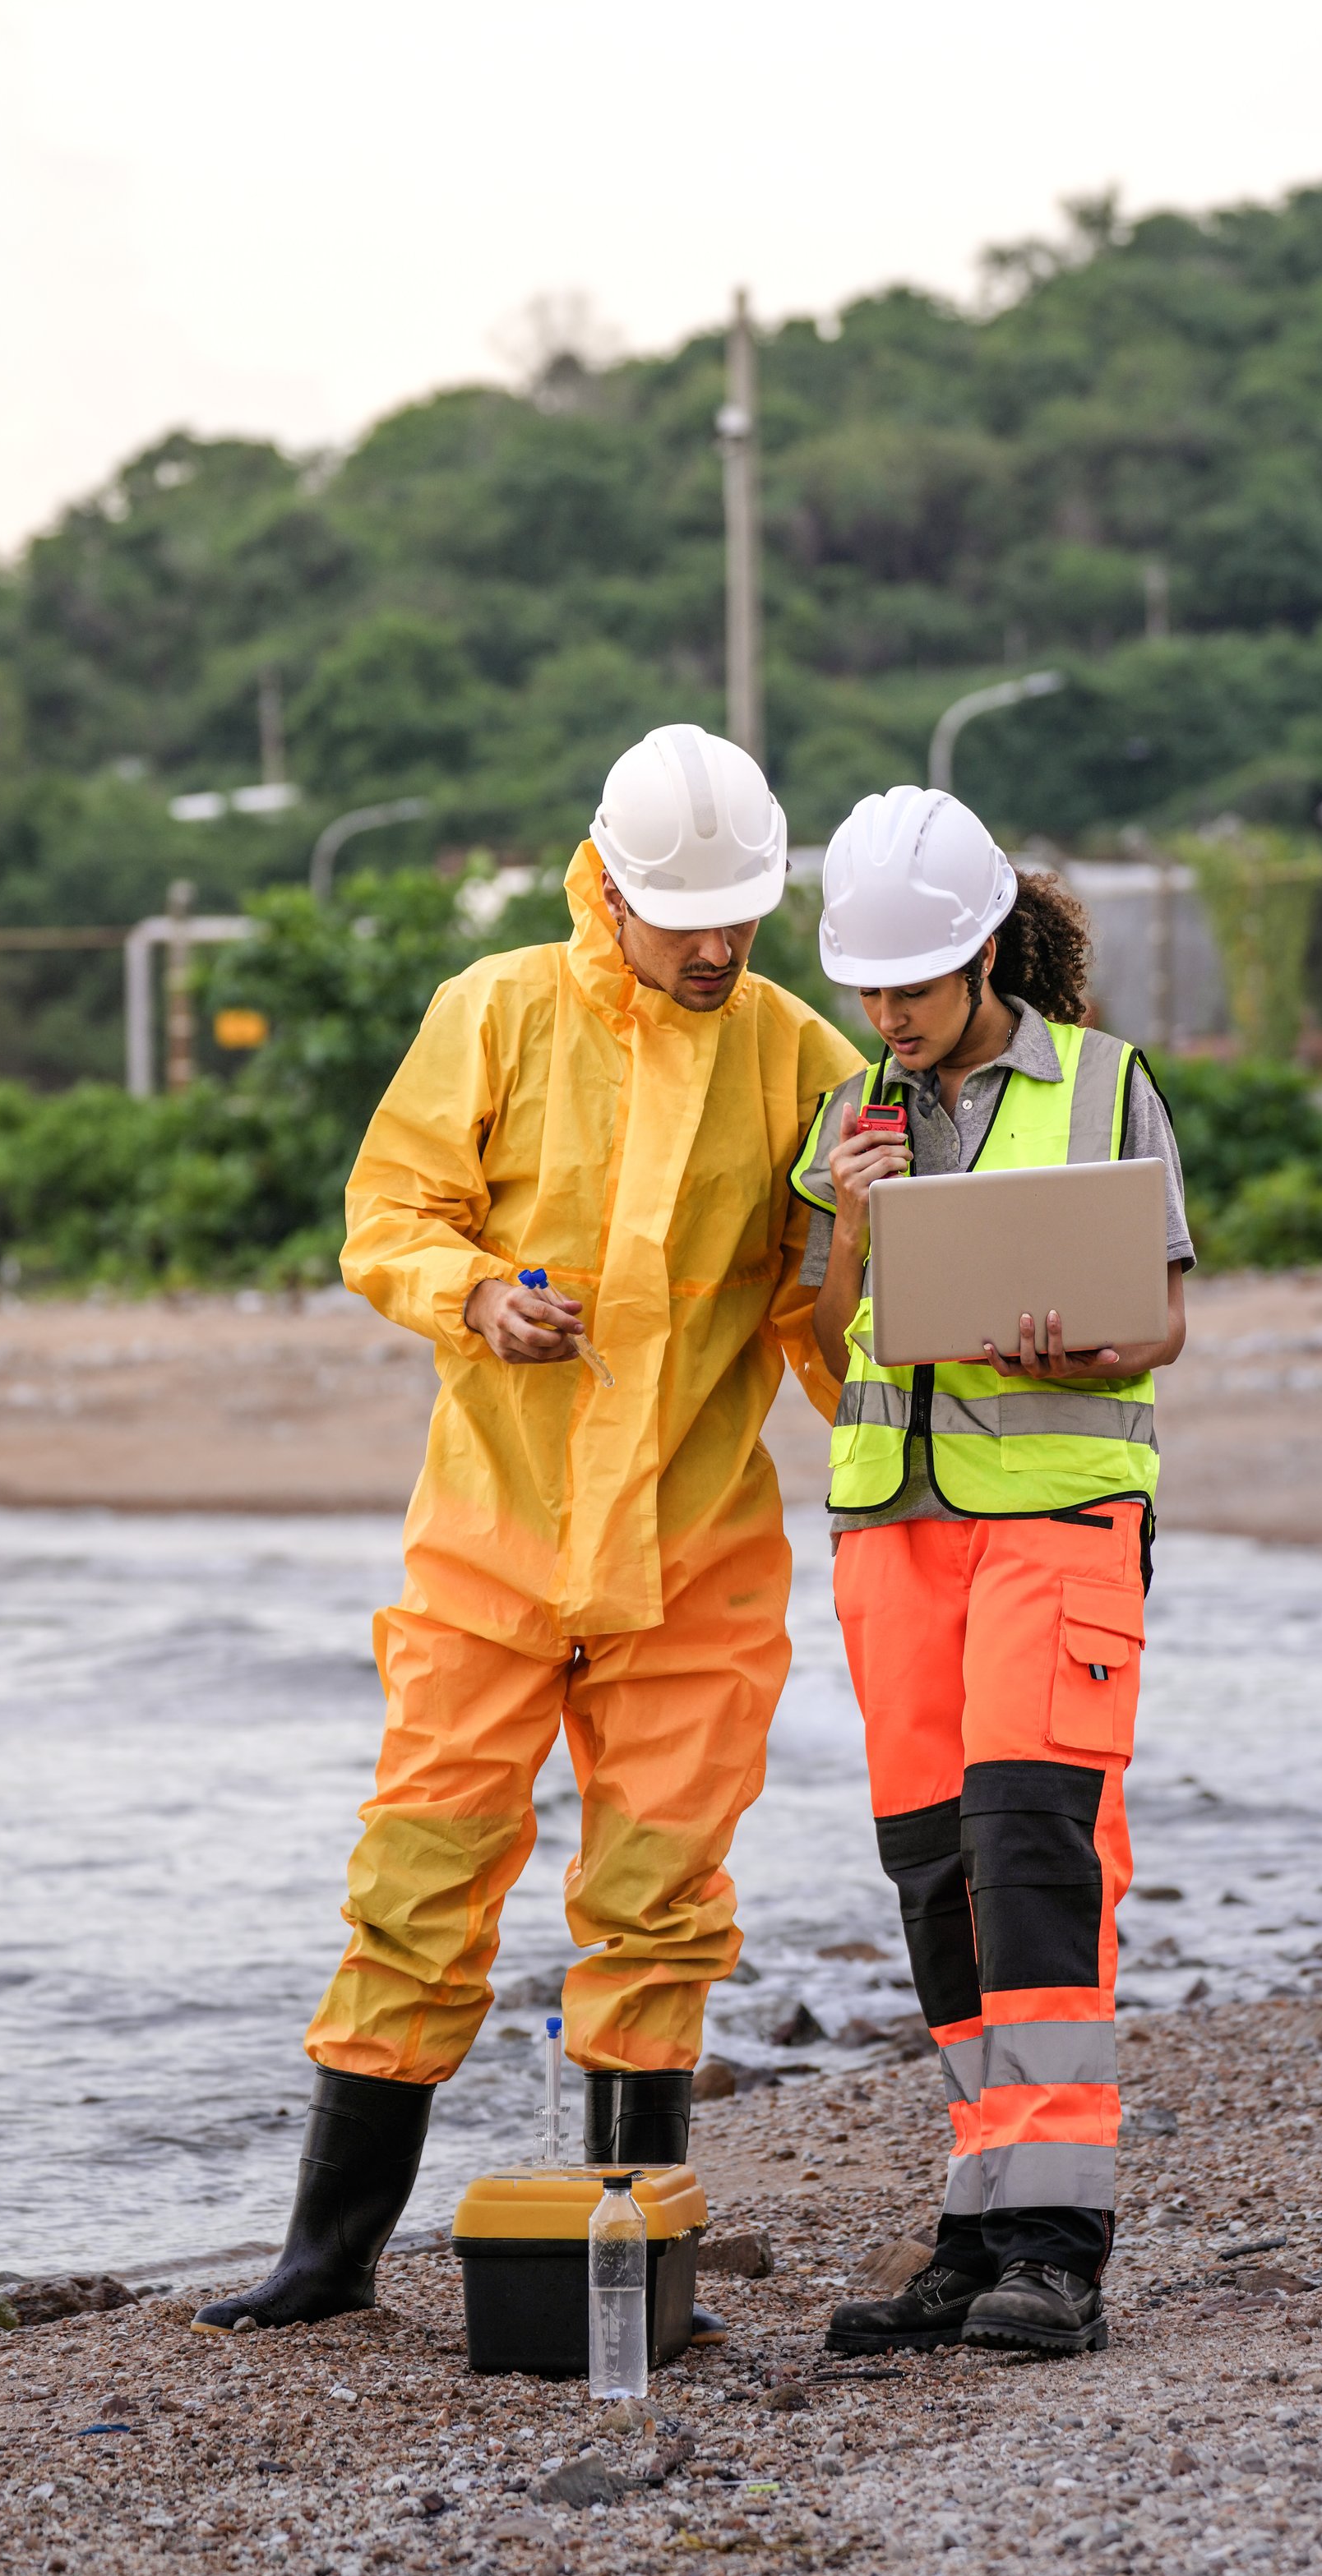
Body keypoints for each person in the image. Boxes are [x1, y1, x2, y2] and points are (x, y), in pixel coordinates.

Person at [196, 726, 862, 2334]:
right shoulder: (489, 1013)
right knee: (417, 1883)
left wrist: (889, 1352)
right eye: (685, 918)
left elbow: (823, 1329)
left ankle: (631, 2273)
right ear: (607, 887)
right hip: (489, 1557)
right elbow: (389, 1218)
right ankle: (329, 2259)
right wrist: (479, 1297)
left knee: (661, 1906)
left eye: (740, 920)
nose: (714, 949)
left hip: (695, 1566)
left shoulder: (800, 1058)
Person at [793, 786, 1190, 2361]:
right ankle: (975, 2223)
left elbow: (1158, 1323)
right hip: (896, 1525)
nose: (886, 1015)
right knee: (936, 1875)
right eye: (866, 989)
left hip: (1060, 1513)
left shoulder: (1105, 1086)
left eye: (911, 984)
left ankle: (1058, 2248)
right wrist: (854, 1230)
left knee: (1036, 1852)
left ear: (980, 955)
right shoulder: (850, 1120)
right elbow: (826, 1347)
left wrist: (1075, 1342)